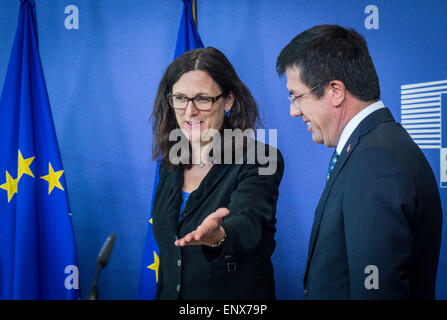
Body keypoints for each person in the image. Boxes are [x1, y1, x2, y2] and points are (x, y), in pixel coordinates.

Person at [276, 24, 442, 299]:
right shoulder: (376, 147)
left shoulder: (376, 163)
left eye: (296, 96)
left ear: (335, 91)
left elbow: (377, 291)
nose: (294, 111)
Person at [150, 47, 284, 299]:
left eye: (203, 98)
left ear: (228, 101)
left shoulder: (260, 158)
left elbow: (248, 223)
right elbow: (170, 265)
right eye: (180, 98)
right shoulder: (170, 164)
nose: (190, 111)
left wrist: (219, 236)